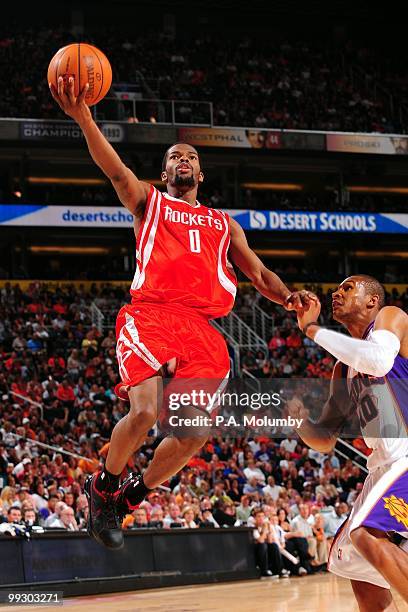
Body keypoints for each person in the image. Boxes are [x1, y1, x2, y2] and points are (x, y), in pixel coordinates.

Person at [50, 76, 312, 550]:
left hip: (202, 331)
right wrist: (85, 118)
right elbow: (114, 171)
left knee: (194, 434)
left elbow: (258, 274)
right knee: (146, 410)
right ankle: (104, 487)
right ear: (165, 170)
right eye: (175, 156)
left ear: (201, 173)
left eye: (191, 156)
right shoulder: (148, 202)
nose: (183, 160)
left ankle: (134, 494)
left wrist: (289, 297)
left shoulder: (222, 223)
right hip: (150, 314)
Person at [289, 275, 408, 609]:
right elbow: (325, 438)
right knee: (356, 560)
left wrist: (311, 330)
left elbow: (379, 360)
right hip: (383, 469)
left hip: (406, 459)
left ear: (372, 301)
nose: (336, 293)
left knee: (365, 534)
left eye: (347, 288)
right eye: (336, 289)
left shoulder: (391, 317)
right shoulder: (344, 370)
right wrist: (298, 419)